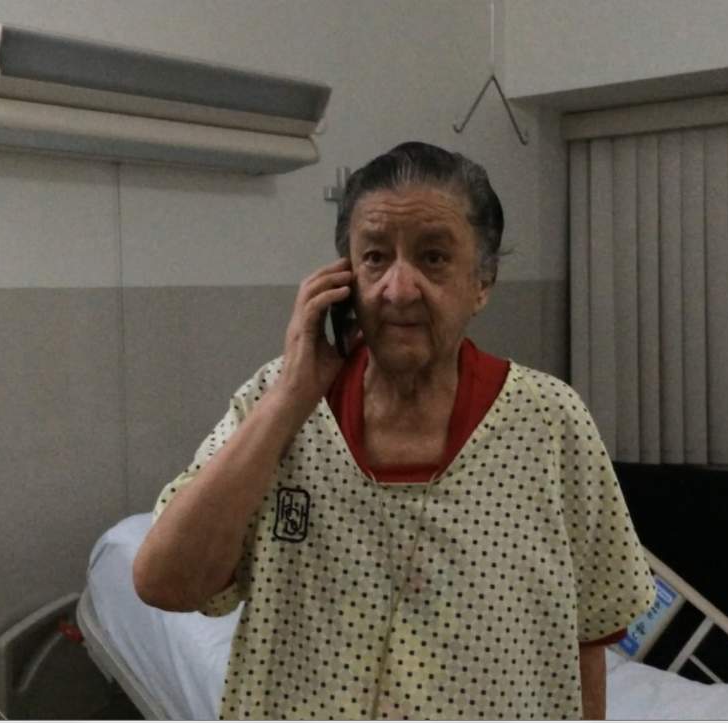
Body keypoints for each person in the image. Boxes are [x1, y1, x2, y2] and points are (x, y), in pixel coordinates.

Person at [133, 141, 655, 719]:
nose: (398, 289)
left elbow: (590, 631)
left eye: (433, 258)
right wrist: (290, 399)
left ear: (482, 281)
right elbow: (164, 583)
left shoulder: (550, 422)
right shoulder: (276, 402)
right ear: (344, 277)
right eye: (375, 258)